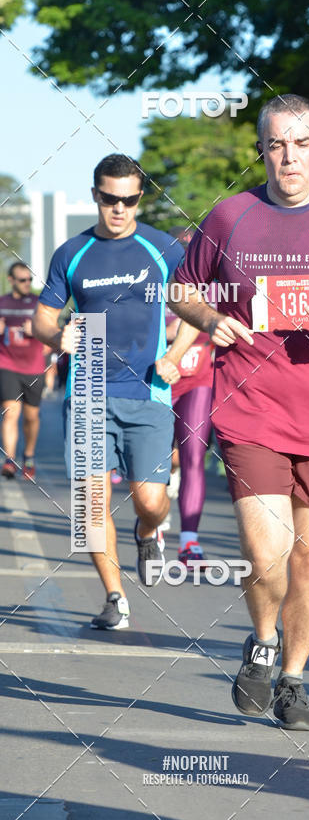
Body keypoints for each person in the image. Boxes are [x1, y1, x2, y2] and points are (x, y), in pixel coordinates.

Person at [171, 94, 309, 730]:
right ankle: (262, 640)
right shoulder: (230, 216)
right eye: (277, 144)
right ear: (263, 150)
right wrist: (211, 319)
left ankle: (291, 678)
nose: (289, 157)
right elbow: (183, 289)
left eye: (301, 144)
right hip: (253, 409)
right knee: (266, 553)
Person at [32, 153, 195, 630]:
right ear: (95, 195)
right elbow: (45, 315)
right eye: (109, 199)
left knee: (150, 500)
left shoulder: (164, 249)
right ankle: (114, 597)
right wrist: (53, 335)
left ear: (139, 198)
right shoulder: (72, 253)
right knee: (90, 505)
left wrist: (176, 353)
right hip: (87, 390)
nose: (118, 208)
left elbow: (195, 309)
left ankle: (149, 531)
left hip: (150, 390)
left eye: (128, 199)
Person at [165, 225, 214, 569]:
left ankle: (189, 540)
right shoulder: (153, 283)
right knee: (153, 461)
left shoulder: (215, 285)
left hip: (198, 382)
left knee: (193, 456)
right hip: (157, 384)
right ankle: (151, 523)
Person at [0, 263, 49, 481]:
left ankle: (28, 456)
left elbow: (51, 334)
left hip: (34, 367)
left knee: (31, 416)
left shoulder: (39, 303)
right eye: (22, 280)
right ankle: (9, 460)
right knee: (11, 412)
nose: (27, 283)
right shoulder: (2, 303)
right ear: (11, 280)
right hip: (7, 363)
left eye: (29, 279)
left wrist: (37, 331)